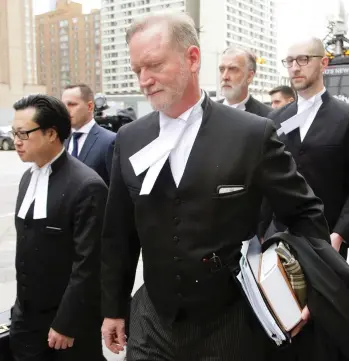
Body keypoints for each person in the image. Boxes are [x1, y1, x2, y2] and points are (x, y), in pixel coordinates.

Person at [101, 14, 330, 361]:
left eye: (154, 66)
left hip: (230, 323)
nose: (144, 81)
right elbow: (118, 232)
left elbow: (305, 214)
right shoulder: (129, 139)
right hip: (153, 320)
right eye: (137, 71)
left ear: (192, 59)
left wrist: (309, 294)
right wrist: (114, 307)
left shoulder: (251, 134)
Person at [10, 94, 107, 361]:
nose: (16, 141)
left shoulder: (87, 186)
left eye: (23, 133)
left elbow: (88, 266)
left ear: (51, 133)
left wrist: (67, 322)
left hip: (65, 326)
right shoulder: (27, 178)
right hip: (25, 319)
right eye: (13, 133)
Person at [263, 37, 349, 260]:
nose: (294, 68)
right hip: (279, 238)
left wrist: (340, 234)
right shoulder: (276, 119)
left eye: (303, 59)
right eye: (289, 61)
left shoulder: (345, 117)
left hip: (328, 240)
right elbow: (265, 176)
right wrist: (261, 232)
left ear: (323, 63)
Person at [61, 83, 116, 185]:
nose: (65, 110)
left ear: (90, 106)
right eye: (63, 106)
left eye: (72, 104)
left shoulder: (110, 141)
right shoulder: (61, 140)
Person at [217, 46, 271, 116]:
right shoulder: (207, 112)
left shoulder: (268, 116)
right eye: (222, 69)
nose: (224, 77)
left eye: (233, 69)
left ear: (249, 76)